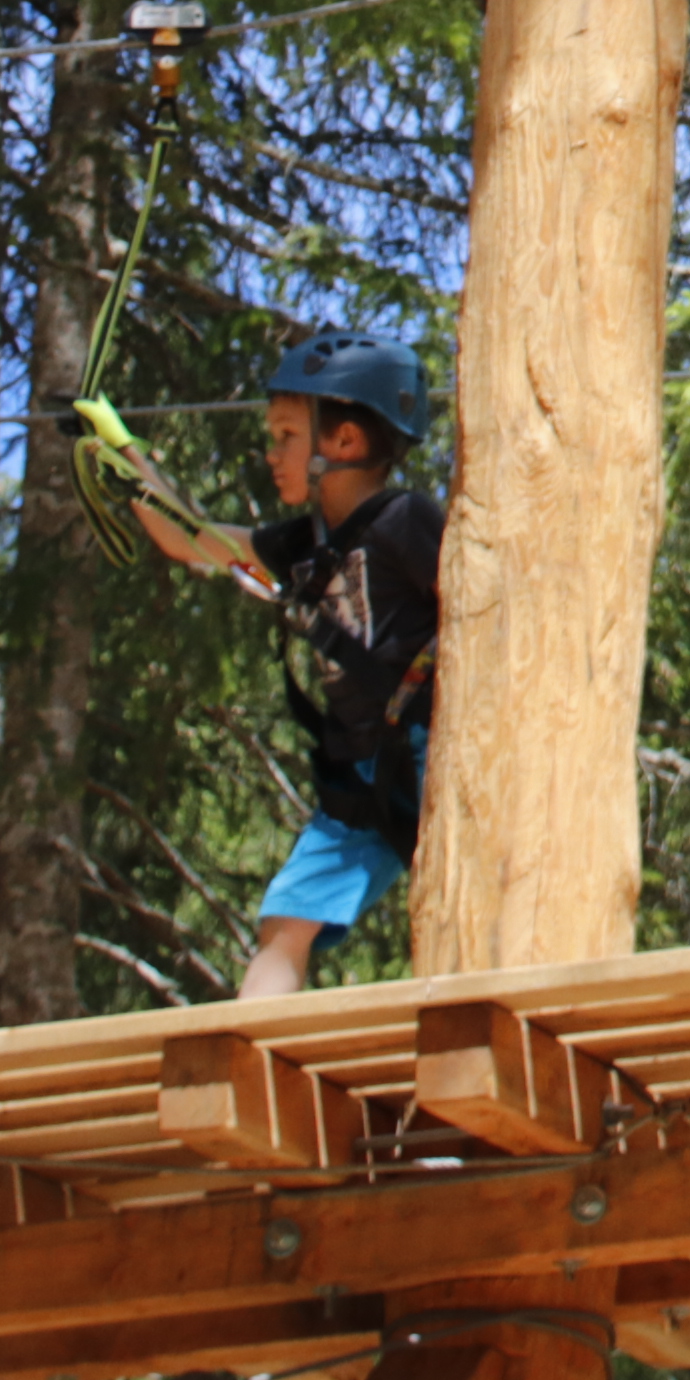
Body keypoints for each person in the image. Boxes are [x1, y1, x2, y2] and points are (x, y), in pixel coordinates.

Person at [123, 329, 444, 998]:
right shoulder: (303, 544)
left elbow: (480, 608)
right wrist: (125, 462)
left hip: (439, 752)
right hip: (365, 774)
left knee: (470, 898)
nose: (271, 454)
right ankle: (255, 1055)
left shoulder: (405, 521)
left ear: (346, 442)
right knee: (286, 922)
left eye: (286, 435)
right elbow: (196, 541)